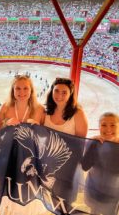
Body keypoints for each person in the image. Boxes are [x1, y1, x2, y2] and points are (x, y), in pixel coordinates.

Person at [0, 75, 44, 214]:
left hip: (31, 158)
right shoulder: (6, 107)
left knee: (29, 187)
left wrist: (39, 129)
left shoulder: (39, 109)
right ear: (13, 90)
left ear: (31, 91)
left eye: (25, 88)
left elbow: (47, 136)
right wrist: (6, 123)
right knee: (11, 186)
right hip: (10, 155)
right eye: (18, 88)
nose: (21, 92)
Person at [42, 77, 88, 212]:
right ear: (52, 92)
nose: (59, 95)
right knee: (50, 199)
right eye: (56, 91)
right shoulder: (46, 112)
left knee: (64, 202)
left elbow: (81, 144)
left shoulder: (77, 114)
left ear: (70, 95)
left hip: (68, 166)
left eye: (64, 92)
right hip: (48, 165)